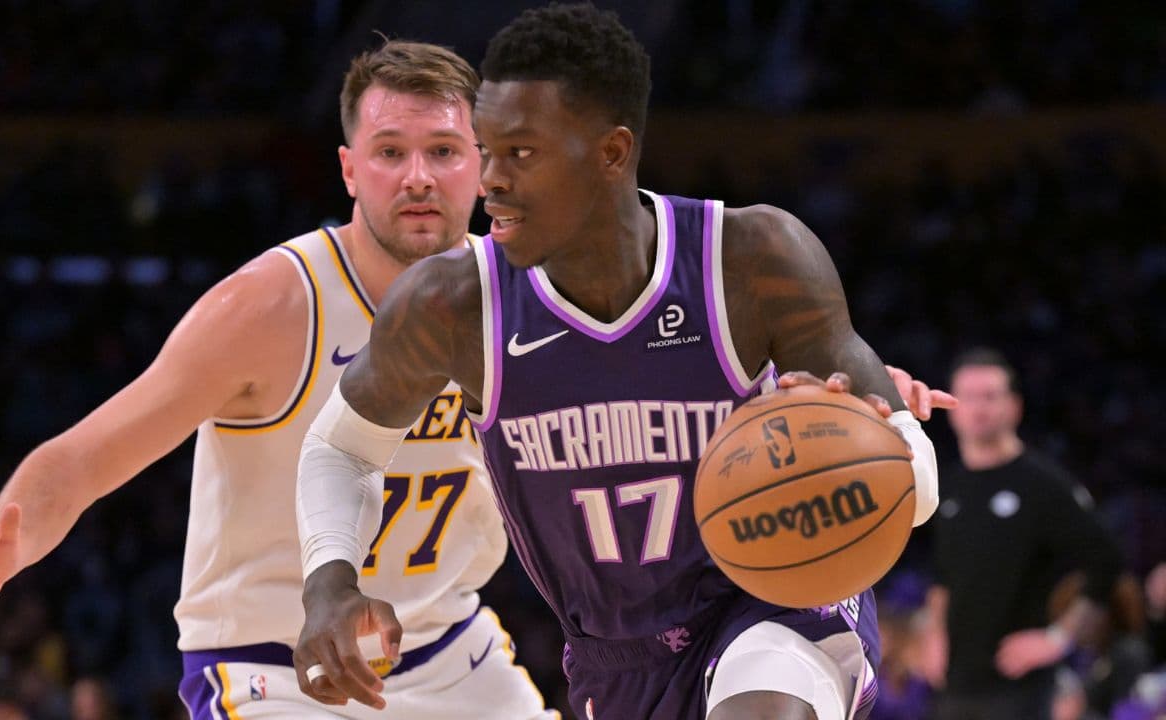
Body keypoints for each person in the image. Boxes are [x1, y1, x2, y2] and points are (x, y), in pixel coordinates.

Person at [292, 5, 950, 719]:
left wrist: (863, 442)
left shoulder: (752, 258)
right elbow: (340, 447)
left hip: (777, 599)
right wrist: (329, 581)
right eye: (485, 151)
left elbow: (915, 490)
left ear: (610, 152)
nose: (489, 181)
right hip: (619, 655)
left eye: (522, 153)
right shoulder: (453, 303)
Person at [0, 41, 557, 720]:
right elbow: (84, 458)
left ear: (482, 162)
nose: (418, 177)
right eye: (391, 152)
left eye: (443, 151)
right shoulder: (271, 306)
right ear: (349, 170)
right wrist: (7, 546)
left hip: (448, 651)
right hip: (276, 668)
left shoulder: (525, 294)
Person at [921, 348, 1121, 720]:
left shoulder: (1042, 485)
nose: (978, 407)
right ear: (951, 407)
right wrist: (934, 635)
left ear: (1014, 406)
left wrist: (1057, 639)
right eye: (967, 397)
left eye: (990, 396)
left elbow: (1106, 559)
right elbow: (942, 576)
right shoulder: (949, 485)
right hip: (954, 683)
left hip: (1017, 687)